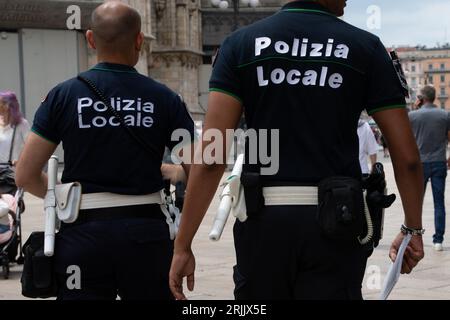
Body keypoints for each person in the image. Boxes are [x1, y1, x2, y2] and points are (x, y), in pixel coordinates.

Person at [169, 0, 424, 300]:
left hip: (263, 222)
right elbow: (406, 158)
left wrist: (183, 244)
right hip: (337, 222)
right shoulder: (366, 47)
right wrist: (413, 229)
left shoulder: (239, 45)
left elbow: (211, 158)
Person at [15, 1, 194, 300]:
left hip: (83, 236)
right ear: (139, 40)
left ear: (90, 38)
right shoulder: (165, 99)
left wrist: (65, 198)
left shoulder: (63, 95)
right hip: (146, 236)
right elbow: (199, 167)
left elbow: (25, 174)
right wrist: (174, 174)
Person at [409, 86, 450, 252]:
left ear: (421, 98)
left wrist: (415, 108)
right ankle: (438, 240)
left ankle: (413, 235)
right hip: (439, 161)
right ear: (434, 98)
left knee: (415, 202)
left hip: (420, 164)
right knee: (439, 202)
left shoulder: (412, 116)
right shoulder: (445, 114)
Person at [0, 91, 30, 166]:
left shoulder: (22, 124)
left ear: (7, 105)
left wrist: (20, 161)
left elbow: (30, 148)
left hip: (14, 171)